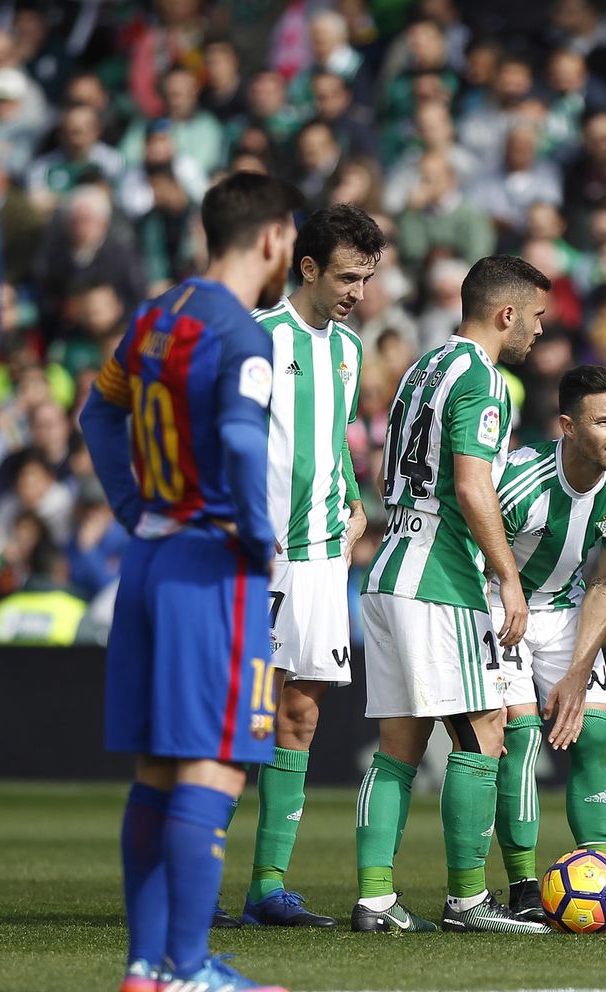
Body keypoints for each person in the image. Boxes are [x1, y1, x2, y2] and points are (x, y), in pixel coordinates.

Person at [78, 170, 300, 992]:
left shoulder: (154, 316)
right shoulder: (241, 334)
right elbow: (243, 441)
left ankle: (147, 967)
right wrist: (253, 529)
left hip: (150, 557)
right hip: (212, 564)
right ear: (275, 239)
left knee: (158, 770)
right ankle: (186, 969)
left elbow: (97, 413)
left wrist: (134, 504)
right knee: (213, 764)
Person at [354, 255, 551, 934]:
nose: (539, 333)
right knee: (485, 734)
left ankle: (375, 896)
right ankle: (468, 899)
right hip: (439, 577)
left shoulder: (422, 367)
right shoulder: (483, 379)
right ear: (506, 314)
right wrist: (508, 576)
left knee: (400, 745)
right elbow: (472, 486)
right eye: (536, 318)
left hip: (387, 567)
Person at [216, 204, 384, 930]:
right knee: (232, 721)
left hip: (321, 560)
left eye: (367, 279)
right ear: (308, 268)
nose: (357, 291)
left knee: (301, 713)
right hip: (259, 557)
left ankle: (266, 888)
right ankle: (192, 885)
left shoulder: (346, 350)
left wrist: (353, 503)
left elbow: (334, 441)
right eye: (348, 277)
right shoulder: (255, 339)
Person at [485, 365, 606, 930]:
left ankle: (602, 875)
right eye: (604, 421)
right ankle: (524, 887)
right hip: (493, 601)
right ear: (566, 426)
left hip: (564, 609)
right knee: (522, 738)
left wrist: (579, 672)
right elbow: (474, 556)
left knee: (596, 730)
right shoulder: (517, 480)